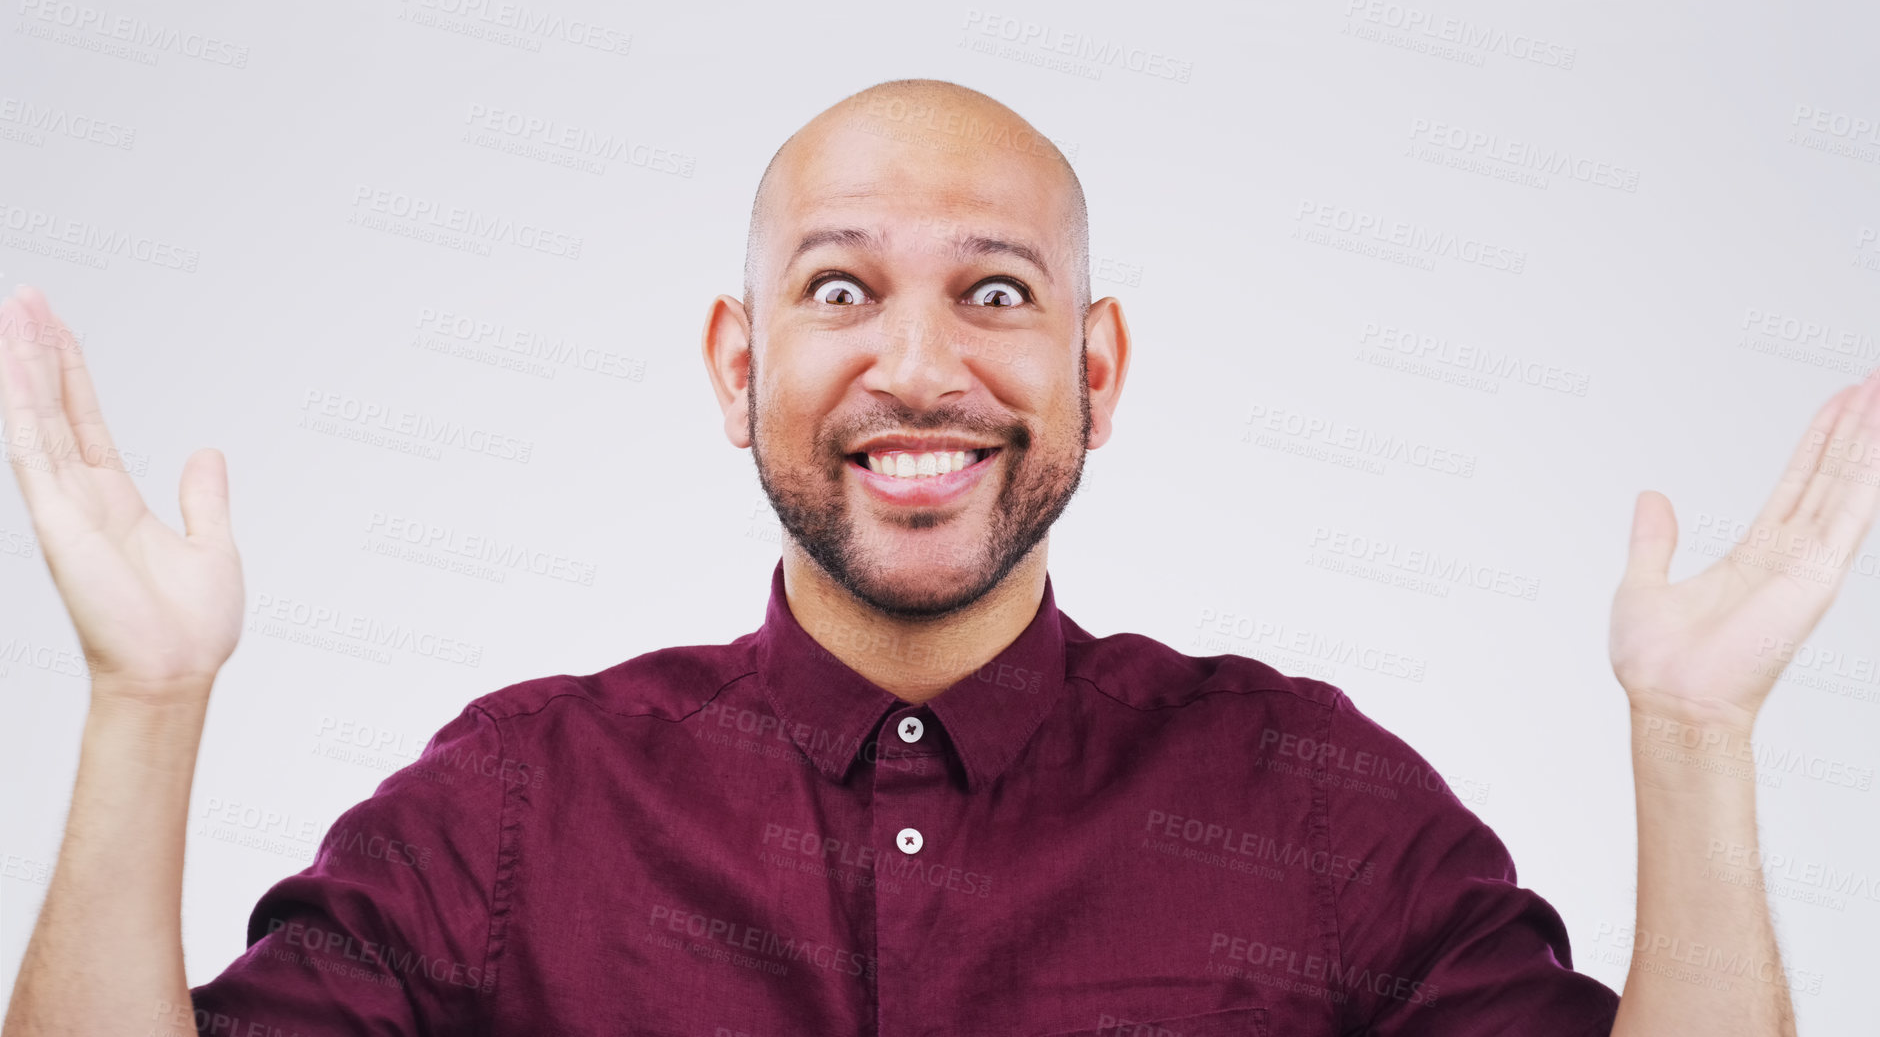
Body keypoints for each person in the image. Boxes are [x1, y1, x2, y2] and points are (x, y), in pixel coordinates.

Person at [2, 77, 1861, 1036]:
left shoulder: (1309, 801)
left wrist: (1693, 745)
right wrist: (143, 703)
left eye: (994, 293)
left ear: (1093, 369)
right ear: (742, 367)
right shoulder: (518, 803)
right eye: (838, 289)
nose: (917, 365)